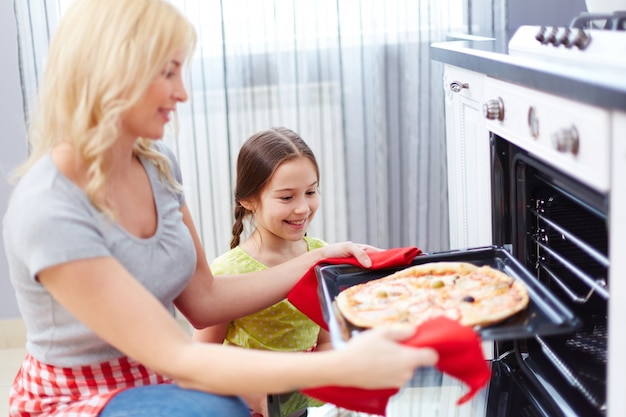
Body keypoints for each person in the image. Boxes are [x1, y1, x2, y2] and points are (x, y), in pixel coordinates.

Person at [1, 1, 438, 417]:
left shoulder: (156, 164)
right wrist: (341, 366)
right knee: (218, 407)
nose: (182, 93)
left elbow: (205, 301)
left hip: (156, 373)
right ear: (113, 73)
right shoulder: (50, 211)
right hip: (80, 393)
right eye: (168, 72)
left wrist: (320, 256)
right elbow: (178, 354)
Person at [194, 127, 331, 417]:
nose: (303, 208)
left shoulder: (321, 255)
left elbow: (326, 341)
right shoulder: (226, 272)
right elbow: (200, 360)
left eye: (311, 191)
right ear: (248, 200)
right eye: (286, 198)